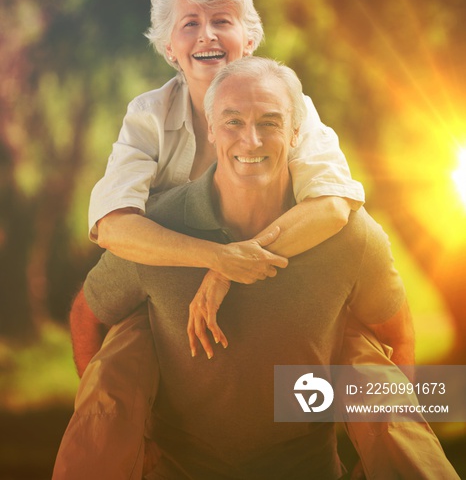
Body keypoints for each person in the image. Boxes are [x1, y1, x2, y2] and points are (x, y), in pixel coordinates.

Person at [52, 0, 365, 479]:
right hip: (165, 273)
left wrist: (230, 269)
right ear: (169, 47)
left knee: (359, 350)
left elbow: (333, 203)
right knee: (108, 346)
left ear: (248, 39)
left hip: (277, 263)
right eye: (189, 24)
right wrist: (214, 258)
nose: (207, 35)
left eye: (222, 21)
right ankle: (124, 441)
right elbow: (112, 223)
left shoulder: (293, 105)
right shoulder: (149, 114)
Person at [65, 57, 442, 479]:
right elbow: (87, 315)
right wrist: (122, 436)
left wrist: (375, 458)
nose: (251, 139)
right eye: (232, 122)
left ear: (296, 133)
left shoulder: (350, 236)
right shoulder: (156, 230)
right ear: (209, 130)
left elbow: (397, 337)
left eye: (270, 122)